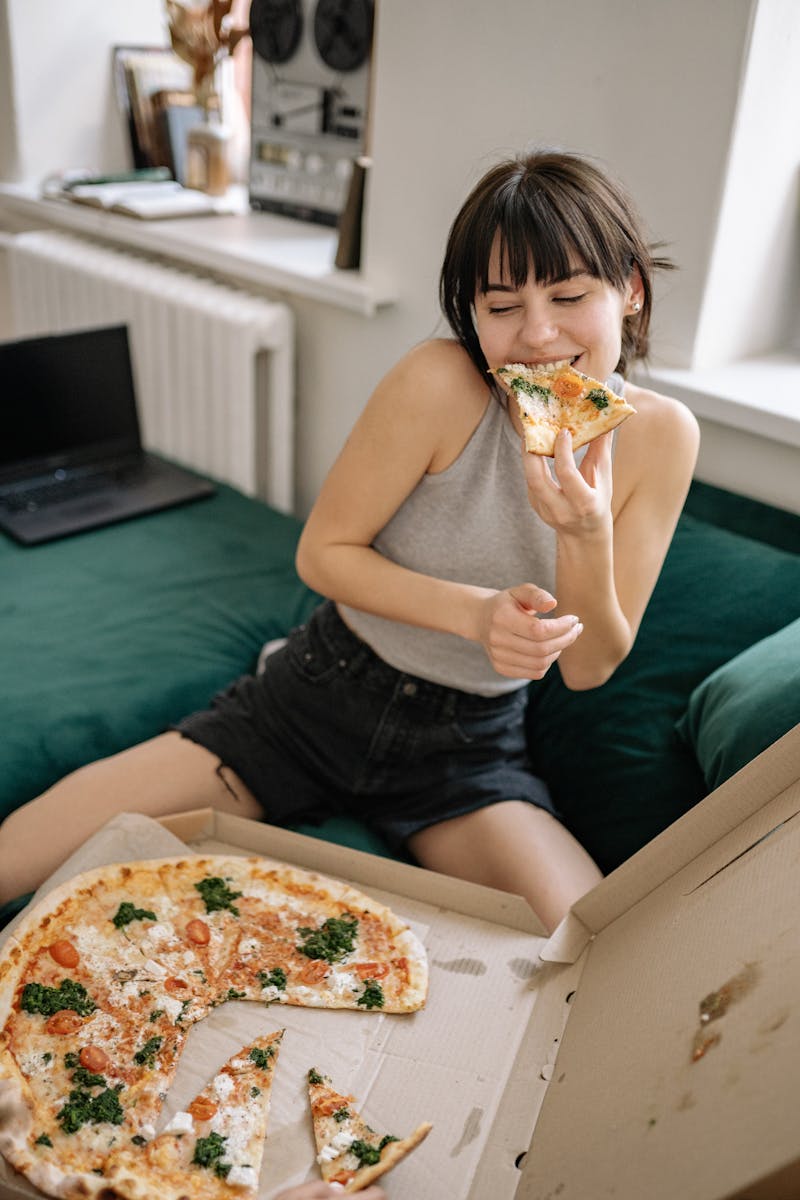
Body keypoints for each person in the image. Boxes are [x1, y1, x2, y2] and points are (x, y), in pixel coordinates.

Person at [0, 149, 699, 932]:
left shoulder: (663, 437)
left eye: (569, 295)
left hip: (467, 751)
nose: (537, 336)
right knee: (19, 857)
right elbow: (323, 554)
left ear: (630, 290)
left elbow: (590, 665)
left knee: (584, 939)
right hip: (315, 698)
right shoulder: (439, 381)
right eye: (501, 306)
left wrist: (583, 533)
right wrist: (475, 614)